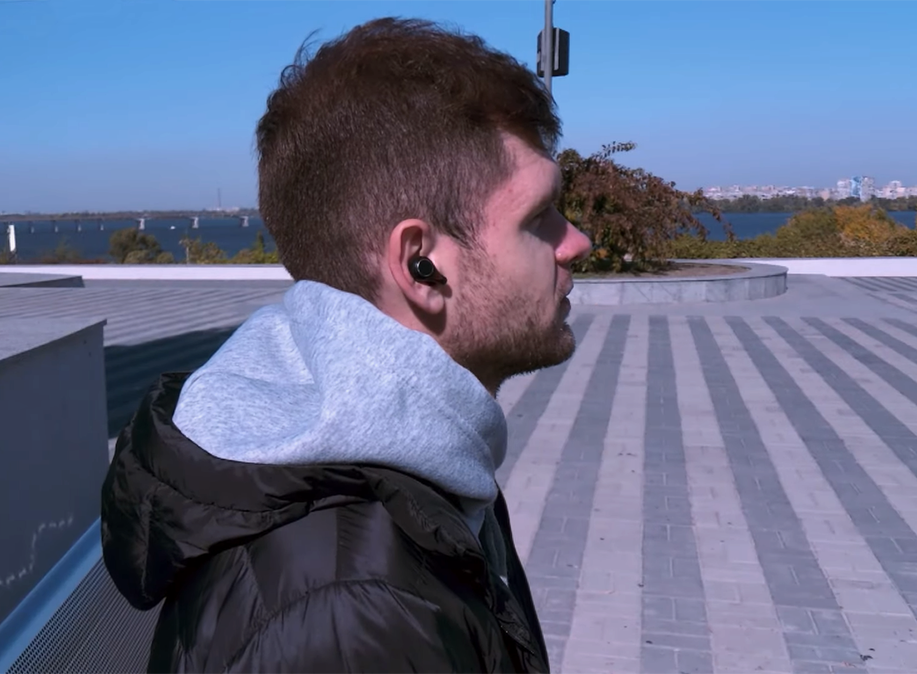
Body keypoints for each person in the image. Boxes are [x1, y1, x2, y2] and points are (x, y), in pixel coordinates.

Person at [100, 16, 592, 674]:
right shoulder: (355, 620)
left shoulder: (416, 459)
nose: (577, 242)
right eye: (539, 217)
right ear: (421, 265)